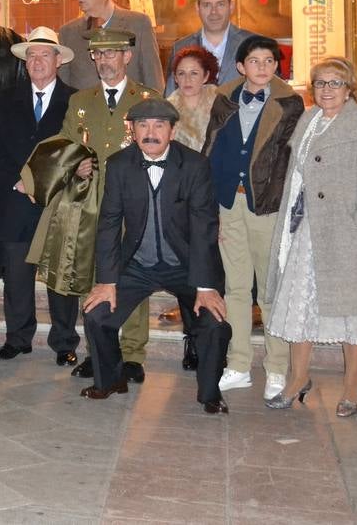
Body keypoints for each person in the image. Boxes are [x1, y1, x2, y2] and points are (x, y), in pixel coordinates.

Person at [79, 99, 232, 414]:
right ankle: (111, 379)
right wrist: (107, 280)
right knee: (96, 315)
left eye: (159, 125)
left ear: (173, 130)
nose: (151, 132)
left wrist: (205, 285)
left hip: (187, 264)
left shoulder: (194, 165)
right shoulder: (119, 164)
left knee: (213, 323)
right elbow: (108, 222)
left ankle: (210, 393)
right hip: (138, 263)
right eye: (143, 125)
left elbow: (205, 225)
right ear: (132, 131)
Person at [264, 57, 357, 418]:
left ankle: (352, 383)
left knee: (353, 311)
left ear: (350, 88)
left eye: (335, 83)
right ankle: (298, 378)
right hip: (308, 230)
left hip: (349, 236)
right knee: (299, 305)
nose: (326, 90)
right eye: (320, 83)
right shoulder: (308, 120)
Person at [44, 27, 158, 381]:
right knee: (94, 277)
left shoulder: (147, 100)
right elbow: (66, 143)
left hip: (136, 205)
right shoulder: (81, 102)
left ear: (127, 57)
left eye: (111, 53)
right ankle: (97, 351)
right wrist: (74, 162)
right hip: (92, 204)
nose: (104, 61)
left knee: (134, 277)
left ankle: (133, 353)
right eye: (98, 54)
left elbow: (159, 147)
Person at [202, 34, 305, 400]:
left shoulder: (290, 103)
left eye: (269, 61)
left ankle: (277, 368)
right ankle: (239, 364)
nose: (263, 68)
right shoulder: (224, 98)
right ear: (241, 66)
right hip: (230, 205)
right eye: (255, 61)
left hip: (267, 207)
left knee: (271, 291)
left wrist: (287, 208)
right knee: (236, 289)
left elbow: (293, 161)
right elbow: (210, 149)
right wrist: (209, 205)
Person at [0, 26, 75, 362]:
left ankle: (65, 343)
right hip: (15, 199)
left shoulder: (75, 100)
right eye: (31, 55)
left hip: (58, 201)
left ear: (58, 61)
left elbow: (74, 152)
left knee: (59, 274)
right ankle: (18, 337)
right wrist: (17, 182)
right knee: (17, 275)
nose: (37, 61)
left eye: (44, 54)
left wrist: (41, 183)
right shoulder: (6, 98)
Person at [163, 44, 223, 369]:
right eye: (181, 73)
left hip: (215, 198)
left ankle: (213, 339)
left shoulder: (222, 108)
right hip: (178, 202)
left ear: (207, 76)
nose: (187, 79)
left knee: (212, 273)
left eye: (194, 73)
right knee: (187, 276)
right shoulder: (166, 110)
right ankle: (193, 340)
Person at [58, 0, 163, 93]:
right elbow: (63, 87)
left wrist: (155, 109)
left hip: (131, 109)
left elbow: (153, 78)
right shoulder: (68, 33)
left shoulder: (138, 24)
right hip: (86, 110)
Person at [165, 0, 258, 94]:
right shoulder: (180, 47)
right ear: (197, 8)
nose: (214, 12)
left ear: (231, 7)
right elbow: (169, 100)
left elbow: (272, 94)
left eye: (220, 4)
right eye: (207, 5)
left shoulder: (253, 44)